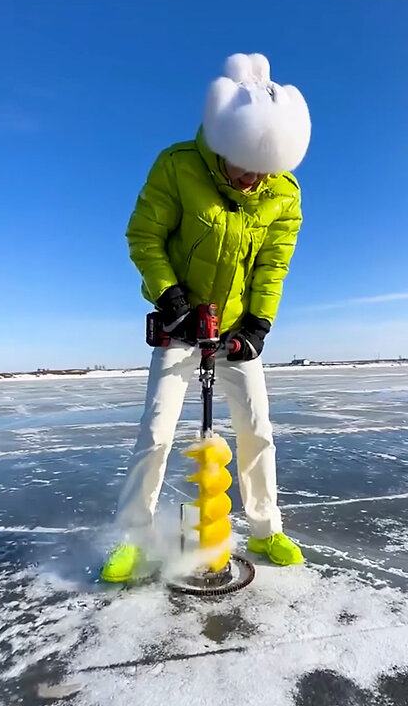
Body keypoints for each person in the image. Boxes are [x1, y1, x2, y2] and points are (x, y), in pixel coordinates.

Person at [101, 53, 311, 582]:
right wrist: (172, 302)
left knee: (257, 429)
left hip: (235, 327)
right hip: (179, 324)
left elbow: (272, 265)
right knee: (156, 432)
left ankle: (265, 529)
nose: (253, 179)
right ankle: (131, 538)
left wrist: (258, 326)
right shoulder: (177, 166)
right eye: (245, 165)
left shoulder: (283, 193)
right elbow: (144, 237)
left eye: (265, 170)